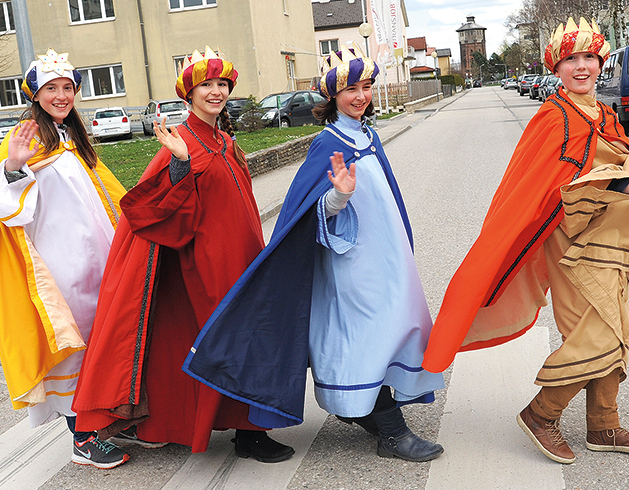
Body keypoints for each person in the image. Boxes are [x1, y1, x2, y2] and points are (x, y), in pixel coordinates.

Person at [420, 18, 629, 464]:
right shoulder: (553, 117)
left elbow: (626, 164)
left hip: (606, 240)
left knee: (618, 330)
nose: (582, 67)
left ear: (601, 63)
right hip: (571, 244)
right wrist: (625, 187)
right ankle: (542, 414)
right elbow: (560, 187)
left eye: (589, 58)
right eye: (570, 59)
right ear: (556, 69)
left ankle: (604, 424)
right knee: (596, 334)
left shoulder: (603, 113)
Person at [183, 43, 445, 462]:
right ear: (332, 97)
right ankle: (390, 432)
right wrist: (339, 198)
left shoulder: (368, 133)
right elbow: (308, 212)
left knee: (397, 326)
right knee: (368, 337)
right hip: (351, 264)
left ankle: (365, 412)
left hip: (386, 261)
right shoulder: (328, 142)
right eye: (350, 90)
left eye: (366, 87)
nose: (360, 96)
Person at [72, 47, 295, 463]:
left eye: (221, 84)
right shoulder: (181, 141)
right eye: (206, 85)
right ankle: (247, 432)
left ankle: (249, 430)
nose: (216, 92)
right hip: (204, 267)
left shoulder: (225, 140)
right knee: (227, 343)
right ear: (189, 95)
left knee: (245, 339)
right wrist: (178, 166)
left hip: (242, 259)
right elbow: (151, 209)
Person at [0, 48, 130, 469]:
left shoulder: (70, 136)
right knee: (74, 346)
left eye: (67, 88)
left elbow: (102, 193)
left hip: (96, 257)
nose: (60, 95)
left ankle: (108, 418)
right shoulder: (26, 137)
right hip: (62, 264)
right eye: (51, 88)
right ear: (35, 93)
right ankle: (82, 437)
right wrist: (13, 167)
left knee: (102, 340)